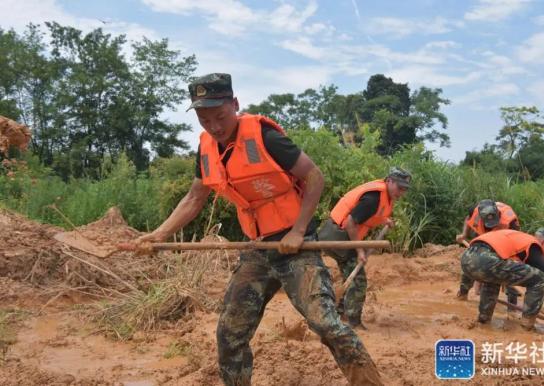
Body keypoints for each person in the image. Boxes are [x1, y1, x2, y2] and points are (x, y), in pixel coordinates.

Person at [136, 73, 383, 385]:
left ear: (235, 105)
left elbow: (314, 177)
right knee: (230, 333)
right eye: (204, 119)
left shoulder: (265, 137)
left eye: (220, 116)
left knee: (325, 324)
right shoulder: (207, 148)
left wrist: (298, 230)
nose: (214, 126)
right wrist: (159, 234)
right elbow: (194, 197)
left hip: (296, 246)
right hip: (257, 248)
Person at [317, 168, 411, 329]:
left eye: (405, 189)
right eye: (399, 187)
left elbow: (371, 214)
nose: (401, 192)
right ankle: (354, 322)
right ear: (389, 181)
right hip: (338, 236)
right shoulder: (373, 198)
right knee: (359, 281)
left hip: (337, 234)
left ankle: (341, 312)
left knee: (351, 276)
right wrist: (360, 250)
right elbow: (350, 223)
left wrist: (384, 220)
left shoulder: (382, 196)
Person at [460, 226, 544, 335]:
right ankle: (526, 328)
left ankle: (484, 320)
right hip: (486, 260)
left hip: (467, 258)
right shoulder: (534, 246)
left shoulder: (518, 240)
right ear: (543, 242)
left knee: (495, 278)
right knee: (540, 279)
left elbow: (485, 263)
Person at [456, 199, 521, 306]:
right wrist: (464, 235)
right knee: (471, 260)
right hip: (484, 238)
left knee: (509, 268)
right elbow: (468, 219)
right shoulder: (477, 211)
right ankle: (463, 294)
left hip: (504, 240)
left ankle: (512, 307)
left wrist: (507, 258)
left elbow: (516, 242)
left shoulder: (510, 221)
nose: (490, 225)